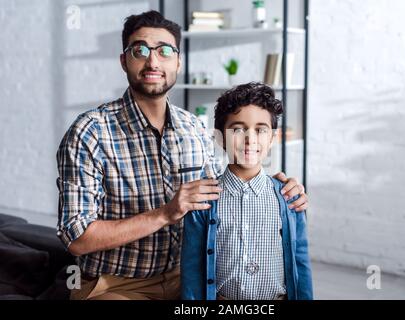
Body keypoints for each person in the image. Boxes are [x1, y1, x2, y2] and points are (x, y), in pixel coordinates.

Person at [57, 11, 308, 300]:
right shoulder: (89, 132)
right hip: (116, 284)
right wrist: (165, 213)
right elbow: (76, 238)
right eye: (140, 50)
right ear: (124, 61)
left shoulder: (194, 128)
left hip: (189, 277)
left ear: (178, 62)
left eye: (165, 51)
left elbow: (224, 188)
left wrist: (276, 189)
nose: (153, 61)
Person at [181, 82, 313, 300]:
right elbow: (193, 268)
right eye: (238, 129)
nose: (250, 139)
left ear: (271, 138)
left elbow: (301, 261)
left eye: (260, 130)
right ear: (220, 137)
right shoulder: (203, 200)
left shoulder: (289, 196)